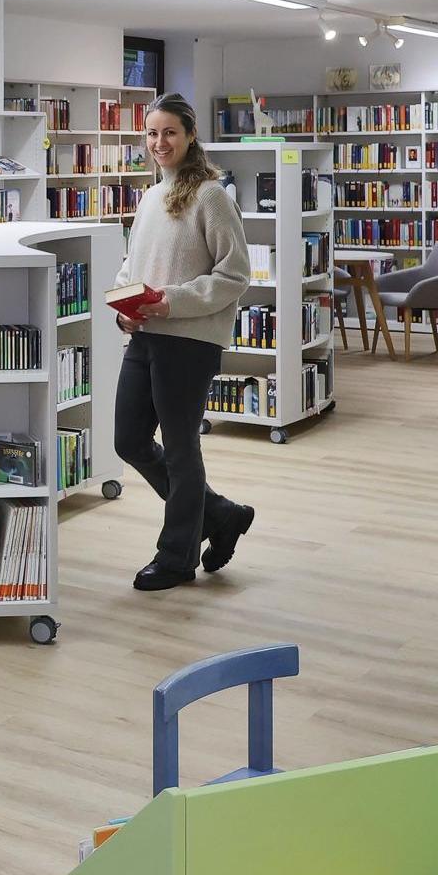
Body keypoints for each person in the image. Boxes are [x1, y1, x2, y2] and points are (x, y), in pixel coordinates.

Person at [111, 93, 258, 592]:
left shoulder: (212, 195)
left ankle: (176, 557)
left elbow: (235, 273)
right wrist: (126, 308)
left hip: (190, 339)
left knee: (179, 448)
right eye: (151, 133)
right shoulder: (150, 197)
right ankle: (219, 515)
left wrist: (171, 301)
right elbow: (132, 267)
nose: (159, 143)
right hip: (147, 334)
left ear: (191, 135)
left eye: (169, 132)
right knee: (127, 439)